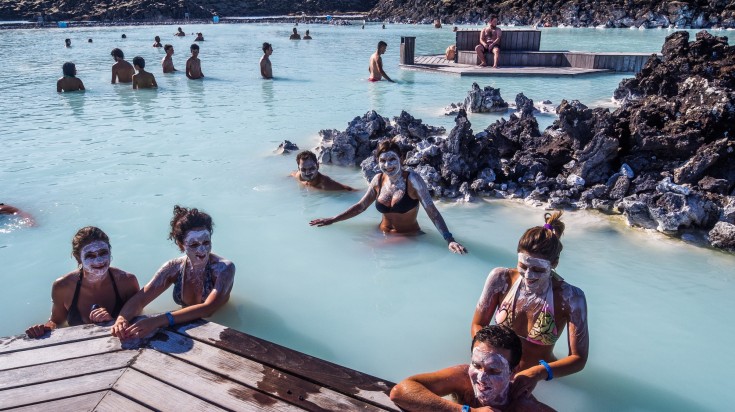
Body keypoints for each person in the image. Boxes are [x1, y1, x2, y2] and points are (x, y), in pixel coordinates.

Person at [471, 211, 588, 398]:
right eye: (523, 266)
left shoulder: (570, 298)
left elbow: (578, 359)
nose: (528, 276)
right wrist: (489, 359)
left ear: (554, 264)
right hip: (494, 370)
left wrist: (538, 373)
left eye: (538, 269)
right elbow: (478, 324)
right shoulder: (500, 279)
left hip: (541, 380)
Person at [310, 140, 467, 254]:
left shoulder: (412, 180)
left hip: (408, 236)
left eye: (392, 159)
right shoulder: (378, 179)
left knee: (359, 253)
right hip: (381, 232)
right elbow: (360, 206)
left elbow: (432, 211)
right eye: (382, 160)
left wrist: (449, 239)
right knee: (337, 247)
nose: (387, 165)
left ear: (401, 159)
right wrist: (332, 219)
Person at [111, 206, 235, 340]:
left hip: (220, 329)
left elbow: (208, 308)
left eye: (206, 242)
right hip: (184, 326)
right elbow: (141, 298)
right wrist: (122, 319)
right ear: (181, 245)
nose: (202, 250)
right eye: (193, 245)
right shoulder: (173, 268)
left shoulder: (224, 269)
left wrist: (158, 320)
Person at [390, 325, 554, 411]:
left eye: (494, 371)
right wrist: (465, 411)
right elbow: (399, 392)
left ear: (513, 371)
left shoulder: (524, 406)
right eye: (476, 365)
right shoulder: (462, 377)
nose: (481, 377)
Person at [25, 227, 140, 338]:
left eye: (103, 253)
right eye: (90, 255)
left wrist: (112, 322)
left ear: (110, 251)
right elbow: (56, 322)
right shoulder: (62, 287)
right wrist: (43, 329)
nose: (99, 261)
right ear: (78, 258)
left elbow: (138, 317)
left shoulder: (126, 281)